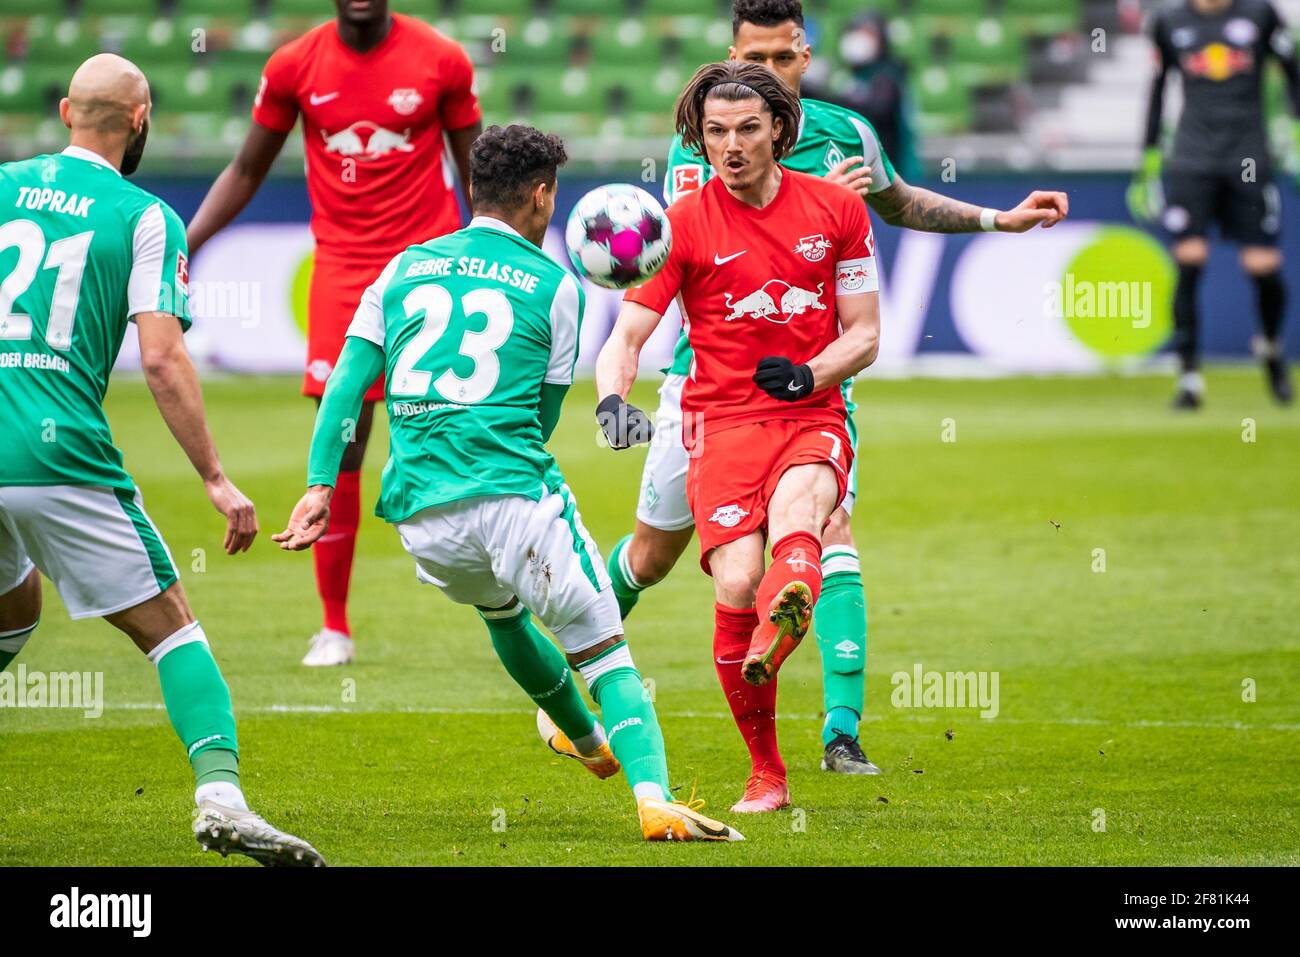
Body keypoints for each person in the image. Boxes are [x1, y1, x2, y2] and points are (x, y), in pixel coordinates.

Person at [604, 0, 1069, 780]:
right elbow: (723, 221)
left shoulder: (850, 134)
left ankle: (839, 731)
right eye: (751, 60)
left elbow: (898, 203)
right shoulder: (705, 143)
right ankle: (574, 679)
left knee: (826, 526)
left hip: (808, 381)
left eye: (780, 60)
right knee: (652, 556)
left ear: (805, 56)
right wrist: (614, 397)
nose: (764, 77)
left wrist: (998, 218)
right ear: (729, 58)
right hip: (702, 385)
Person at [273, 124, 743, 843]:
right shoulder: (558, 286)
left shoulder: (400, 269)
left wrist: (317, 486)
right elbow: (543, 418)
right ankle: (655, 797)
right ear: (541, 194)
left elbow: (345, 385)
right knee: (606, 652)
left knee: (501, 612)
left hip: (421, 517)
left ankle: (585, 742)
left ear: (471, 189)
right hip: (512, 498)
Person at [0, 54, 323, 866]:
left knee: (15, 607)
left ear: (67, 108)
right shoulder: (145, 217)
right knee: (174, 631)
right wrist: (215, 476)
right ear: (140, 122)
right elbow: (163, 358)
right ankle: (221, 796)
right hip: (56, 455)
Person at [596, 60, 888, 813]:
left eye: (747, 129)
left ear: (779, 131)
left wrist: (809, 374)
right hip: (718, 425)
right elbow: (627, 334)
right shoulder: (682, 226)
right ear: (700, 137)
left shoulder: (837, 211)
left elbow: (864, 335)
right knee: (732, 581)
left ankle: (782, 615)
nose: (730, 145)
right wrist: (609, 400)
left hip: (808, 413)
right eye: (716, 132)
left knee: (802, 515)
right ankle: (768, 771)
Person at [187, 0, 483, 665]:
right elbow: (245, 171)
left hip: (429, 268)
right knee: (344, 441)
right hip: (343, 272)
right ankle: (335, 625)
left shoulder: (442, 58)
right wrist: (185, 244)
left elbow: (477, 175)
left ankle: (475, 580)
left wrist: (499, 258)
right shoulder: (295, 65)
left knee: (448, 428)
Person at [1128, 0, 1299, 408]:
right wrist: (1149, 159)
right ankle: (1189, 378)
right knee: (1189, 260)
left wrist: (1294, 130)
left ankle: (1271, 350)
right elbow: (1157, 89)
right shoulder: (1170, 22)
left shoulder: (1260, 14)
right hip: (1192, 159)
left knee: (1262, 267)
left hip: (1248, 158)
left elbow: (1294, 73)